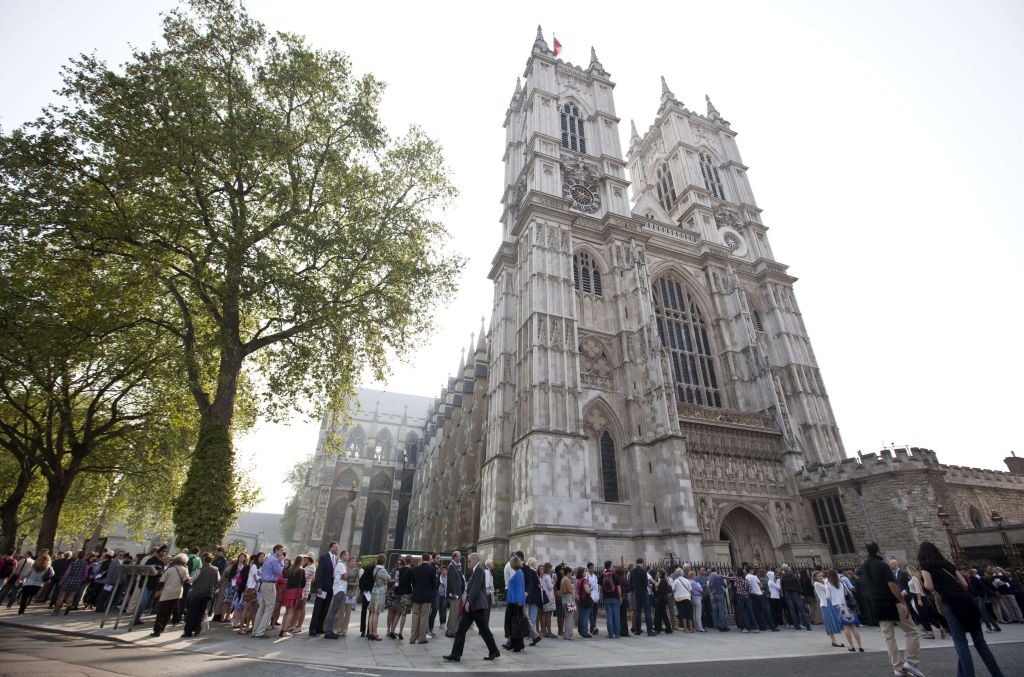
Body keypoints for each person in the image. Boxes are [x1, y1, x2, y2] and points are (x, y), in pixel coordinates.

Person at [919, 542, 1004, 677]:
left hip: (952, 605)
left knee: (961, 643)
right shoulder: (948, 564)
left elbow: (928, 586)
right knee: (980, 643)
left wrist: (932, 583)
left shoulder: (925, 566)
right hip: (968, 602)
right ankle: (998, 674)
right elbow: (964, 583)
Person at [864, 541, 925, 677]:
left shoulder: (865, 566)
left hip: (877, 604)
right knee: (913, 632)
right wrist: (903, 602)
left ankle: (897, 667)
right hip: (890, 603)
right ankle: (910, 661)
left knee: (889, 638)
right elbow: (892, 586)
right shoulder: (882, 565)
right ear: (877, 549)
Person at [443, 552, 500, 662]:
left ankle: (494, 651)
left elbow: (476, 588)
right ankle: (456, 654)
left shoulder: (479, 570)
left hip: (476, 606)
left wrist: (468, 602)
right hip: (472, 606)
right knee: (461, 629)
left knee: (484, 630)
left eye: (469, 561)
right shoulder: (476, 571)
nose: (468, 563)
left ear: (475, 560)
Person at [251, 544, 285, 639]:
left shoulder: (268, 559)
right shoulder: (274, 560)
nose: (282, 552)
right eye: (282, 550)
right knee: (269, 608)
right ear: (277, 550)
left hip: (263, 583)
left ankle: (255, 631)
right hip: (269, 584)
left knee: (261, 608)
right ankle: (260, 632)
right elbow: (280, 572)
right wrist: (281, 562)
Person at [151, 554, 190, 637]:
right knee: (169, 612)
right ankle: (162, 628)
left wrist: (158, 590)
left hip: (167, 592)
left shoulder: (170, 569)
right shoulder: (185, 569)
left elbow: (162, 581)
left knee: (161, 612)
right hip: (177, 593)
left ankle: (157, 630)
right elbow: (186, 580)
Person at [183, 553, 220, 638]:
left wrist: (188, 579)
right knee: (201, 613)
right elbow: (218, 580)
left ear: (203, 560)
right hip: (207, 594)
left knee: (192, 613)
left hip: (196, 593)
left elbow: (192, 580)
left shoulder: (200, 570)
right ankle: (197, 629)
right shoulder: (216, 569)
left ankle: (188, 631)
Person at [307, 542, 337, 637]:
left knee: (325, 608)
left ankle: (320, 627)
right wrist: (319, 587)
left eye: (337, 547)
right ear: (330, 547)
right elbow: (320, 573)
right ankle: (313, 628)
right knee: (318, 608)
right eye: (335, 547)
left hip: (330, 588)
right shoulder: (324, 557)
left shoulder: (336, 559)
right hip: (322, 588)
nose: (337, 549)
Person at [323, 549, 350, 639]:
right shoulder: (341, 565)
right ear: (342, 556)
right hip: (340, 590)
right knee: (333, 611)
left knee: (334, 611)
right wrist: (347, 574)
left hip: (339, 590)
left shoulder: (341, 564)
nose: (348, 557)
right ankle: (328, 631)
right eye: (346, 555)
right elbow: (345, 576)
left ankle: (329, 630)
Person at [409, 554, 435, 644]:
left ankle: (412, 638)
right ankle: (421, 638)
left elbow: (413, 582)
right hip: (427, 596)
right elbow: (433, 584)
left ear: (422, 559)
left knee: (415, 616)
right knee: (424, 618)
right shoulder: (432, 569)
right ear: (428, 559)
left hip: (416, 595)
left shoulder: (415, 569)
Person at [277, 556, 306, 637]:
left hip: (287, 591)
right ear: (301, 562)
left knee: (287, 612)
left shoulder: (290, 570)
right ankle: (284, 631)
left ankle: (282, 629)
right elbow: (303, 583)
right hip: (295, 592)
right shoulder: (301, 570)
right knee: (291, 611)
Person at [504, 556, 527, 652]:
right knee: (513, 623)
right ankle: (513, 642)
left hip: (515, 602)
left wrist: (519, 601)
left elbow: (519, 589)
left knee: (516, 623)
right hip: (513, 601)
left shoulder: (519, 574)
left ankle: (518, 644)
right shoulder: (519, 573)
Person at [780, 565, 812, 630]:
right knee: (802, 609)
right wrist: (800, 593)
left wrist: (784, 595)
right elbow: (798, 585)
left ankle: (796, 626)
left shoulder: (782, 577)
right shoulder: (793, 576)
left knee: (792, 610)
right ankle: (807, 626)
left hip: (787, 593)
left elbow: (782, 587)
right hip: (795, 593)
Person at [629, 558, 655, 636]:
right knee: (647, 612)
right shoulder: (643, 571)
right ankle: (649, 631)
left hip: (637, 593)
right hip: (644, 592)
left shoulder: (632, 571)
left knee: (638, 612)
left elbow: (630, 583)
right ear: (642, 563)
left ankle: (638, 630)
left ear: (636, 562)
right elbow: (646, 582)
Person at [366, 554, 389, 641]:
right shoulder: (383, 570)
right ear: (384, 561)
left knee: (372, 613)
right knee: (376, 613)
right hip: (380, 592)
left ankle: (371, 632)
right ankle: (375, 633)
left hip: (374, 590)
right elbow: (388, 578)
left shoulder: (375, 568)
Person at [445, 551, 465, 637]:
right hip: (455, 595)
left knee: (454, 613)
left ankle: (450, 630)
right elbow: (451, 582)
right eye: (459, 556)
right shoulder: (452, 566)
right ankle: (451, 631)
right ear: (454, 557)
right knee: (453, 613)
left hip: (456, 594)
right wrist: (454, 594)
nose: (460, 558)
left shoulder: (454, 566)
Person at [601, 560, 622, 638]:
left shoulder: (602, 575)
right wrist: (620, 597)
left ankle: (610, 634)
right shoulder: (614, 575)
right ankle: (617, 633)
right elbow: (618, 587)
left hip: (606, 597)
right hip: (615, 597)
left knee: (609, 616)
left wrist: (602, 596)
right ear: (610, 566)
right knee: (616, 616)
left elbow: (600, 587)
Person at [672, 567, 693, 632]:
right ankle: (691, 628)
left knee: (682, 613)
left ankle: (685, 628)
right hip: (687, 597)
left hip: (679, 599)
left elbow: (673, 589)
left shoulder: (676, 581)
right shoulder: (687, 580)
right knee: (689, 613)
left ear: (677, 574)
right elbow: (690, 589)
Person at [540, 562, 556, 638]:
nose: (551, 568)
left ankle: (544, 631)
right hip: (549, 597)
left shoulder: (543, 576)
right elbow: (550, 587)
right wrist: (554, 583)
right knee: (548, 615)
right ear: (547, 568)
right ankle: (549, 632)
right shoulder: (547, 577)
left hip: (545, 597)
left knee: (545, 614)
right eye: (550, 567)